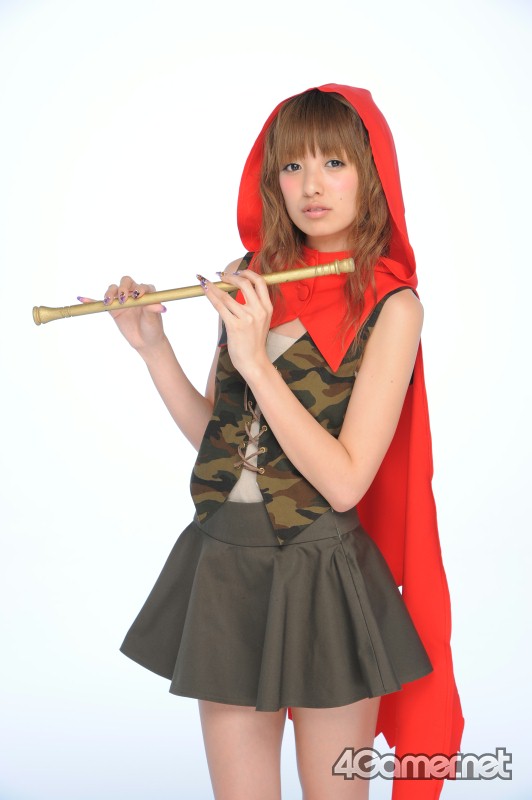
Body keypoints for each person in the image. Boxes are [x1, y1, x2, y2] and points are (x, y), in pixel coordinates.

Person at [85, 85, 464, 799]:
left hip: (323, 571)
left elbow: (346, 482)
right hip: (225, 564)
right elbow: (219, 441)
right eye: (293, 166)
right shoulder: (252, 277)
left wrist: (255, 359)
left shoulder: (394, 306)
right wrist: (152, 348)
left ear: (372, 173)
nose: (312, 185)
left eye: (333, 163)